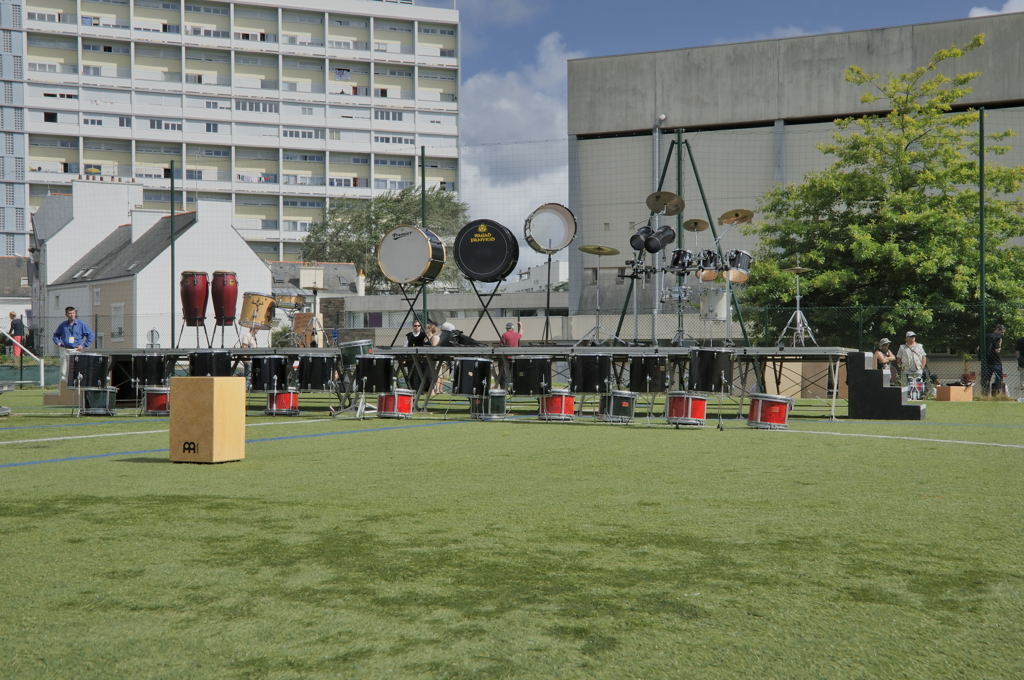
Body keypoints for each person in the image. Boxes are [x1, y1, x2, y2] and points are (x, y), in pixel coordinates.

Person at [52, 306, 94, 381]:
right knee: (63, 371)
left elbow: (90, 335)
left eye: (73, 313)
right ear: (66, 315)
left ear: (75, 314)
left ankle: (76, 386)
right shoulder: (63, 325)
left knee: (76, 369)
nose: (72, 315)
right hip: (65, 349)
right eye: (69, 313)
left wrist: (84, 345)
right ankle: (64, 388)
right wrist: (58, 343)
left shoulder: (81, 324)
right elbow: (56, 335)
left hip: (76, 350)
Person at [896, 331, 927, 399]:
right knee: (906, 384)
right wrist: (900, 366)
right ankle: (907, 397)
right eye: (911, 336)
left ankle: (918, 397)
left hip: (918, 368)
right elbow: (898, 357)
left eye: (914, 336)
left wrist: (922, 366)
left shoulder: (919, 346)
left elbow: (924, 357)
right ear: (906, 338)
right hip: (906, 369)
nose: (913, 338)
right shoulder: (902, 347)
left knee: (918, 382)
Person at [982, 323, 1006, 397]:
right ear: (998, 330)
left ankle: (985, 395)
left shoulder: (986, 336)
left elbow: (979, 348)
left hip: (987, 361)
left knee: (986, 379)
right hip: (996, 362)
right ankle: (995, 395)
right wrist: (999, 348)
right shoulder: (999, 338)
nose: (1002, 334)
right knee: (998, 379)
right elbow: (997, 350)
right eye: (1002, 332)